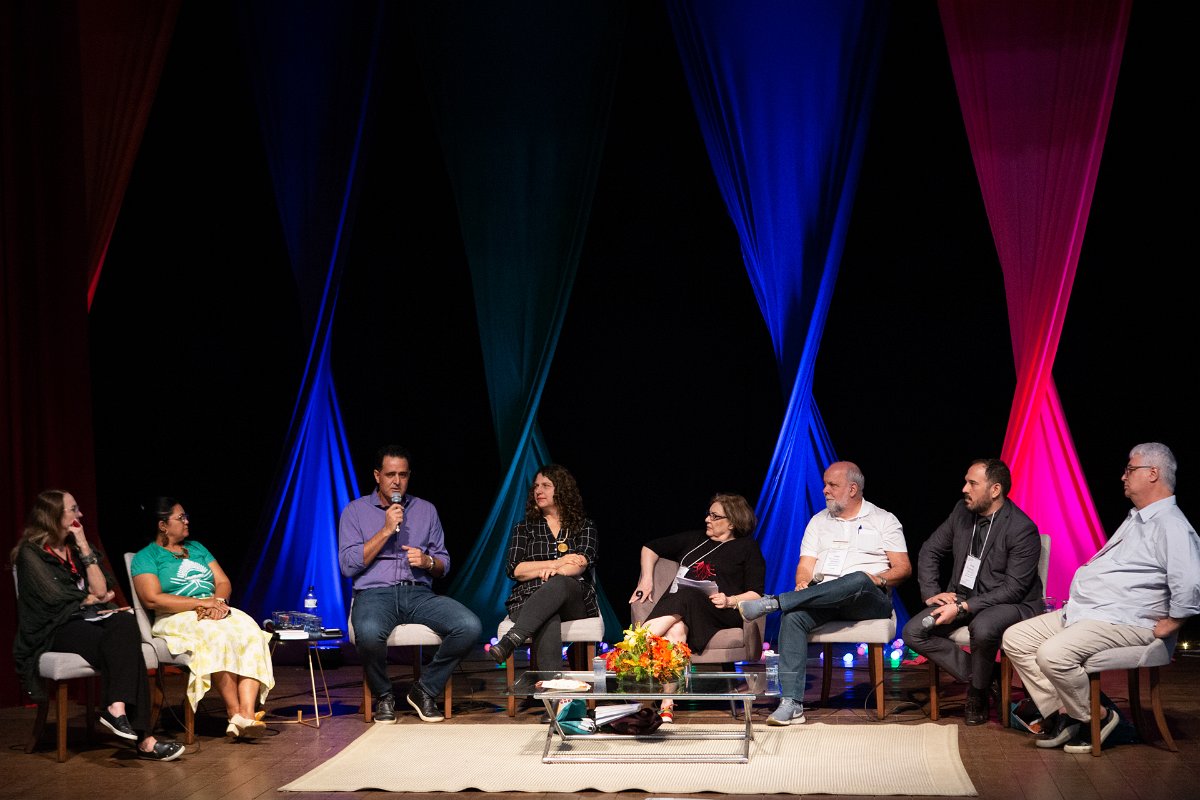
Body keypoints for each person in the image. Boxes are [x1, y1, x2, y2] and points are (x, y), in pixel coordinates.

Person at [1001, 442, 1200, 753]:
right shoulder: (1138, 519)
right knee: (1016, 638)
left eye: (1130, 469)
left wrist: (1175, 620)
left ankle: (1100, 717)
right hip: (1089, 613)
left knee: (1053, 654)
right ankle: (1068, 713)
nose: (1123, 476)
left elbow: (1189, 581)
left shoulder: (1172, 525)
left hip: (1123, 620)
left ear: (1153, 474)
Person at [11, 490, 185, 760]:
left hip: (87, 620)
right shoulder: (29, 554)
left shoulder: (77, 548)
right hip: (53, 628)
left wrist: (82, 545)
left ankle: (117, 709)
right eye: (73, 509)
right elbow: (54, 599)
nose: (80, 514)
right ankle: (145, 739)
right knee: (126, 645)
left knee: (124, 622)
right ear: (53, 516)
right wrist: (90, 598)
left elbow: (103, 588)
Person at [738, 460, 911, 726]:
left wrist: (876, 578)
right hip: (824, 598)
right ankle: (792, 704)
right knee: (793, 617)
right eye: (825, 484)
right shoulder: (818, 522)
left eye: (832, 485)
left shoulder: (883, 520)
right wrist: (802, 583)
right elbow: (805, 566)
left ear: (853, 489)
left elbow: (903, 569)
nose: (825, 490)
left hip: (869, 599)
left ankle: (774, 602)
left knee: (857, 579)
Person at [338, 444, 482, 723]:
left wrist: (428, 562)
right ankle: (384, 695)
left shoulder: (426, 510)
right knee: (367, 632)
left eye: (403, 475)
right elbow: (347, 565)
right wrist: (385, 530)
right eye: (390, 474)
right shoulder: (355, 511)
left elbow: (444, 563)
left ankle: (424, 689)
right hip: (374, 594)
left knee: (469, 625)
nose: (396, 481)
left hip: (418, 594)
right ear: (377, 476)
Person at [901, 458, 1042, 725]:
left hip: (1010, 603)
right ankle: (986, 676)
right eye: (966, 481)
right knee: (913, 631)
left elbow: (1014, 588)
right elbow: (930, 550)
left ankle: (976, 693)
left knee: (984, 628)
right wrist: (931, 592)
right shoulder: (962, 513)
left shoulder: (1022, 529)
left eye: (972, 483)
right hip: (962, 596)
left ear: (995, 490)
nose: (964, 488)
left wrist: (964, 608)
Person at [130, 497, 276, 739]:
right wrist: (201, 603)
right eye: (181, 518)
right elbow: (152, 599)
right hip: (175, 617)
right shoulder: (146, 557)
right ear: (163, 525)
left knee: (249, 629)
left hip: (212, 607)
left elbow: (223, 581)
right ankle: (234, 712)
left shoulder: (197, 548)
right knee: (215, 635)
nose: (187, 521)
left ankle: (248, 715)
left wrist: (217, 603)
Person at [630, 492, 766, 723]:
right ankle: (667, 704)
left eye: (715, 516)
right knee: (676, 631)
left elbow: (756, 592)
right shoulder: (695, 539)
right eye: (708, 514)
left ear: (731, 522)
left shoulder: (747, 548)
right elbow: (649, 547)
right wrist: (646, 579)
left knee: (688, 594)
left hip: (718, 612)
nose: (707, 519)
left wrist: (730, 600)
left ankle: (635, 644)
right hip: (679, 611)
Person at [488, 464, 599, 671]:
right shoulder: (524, 527)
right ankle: (552, 693)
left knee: (562, 583)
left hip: (573, 599)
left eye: (546, 485)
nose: (538, 491)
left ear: (562, 490)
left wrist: (557, 572)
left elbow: (582, 562)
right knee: (548, 616)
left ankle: (513, 638)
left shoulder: (584, 525)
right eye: (536, 486)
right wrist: (556, 563)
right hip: (527, 597)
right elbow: (515, 570)